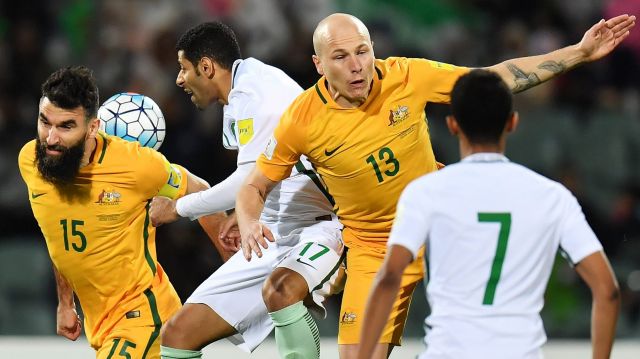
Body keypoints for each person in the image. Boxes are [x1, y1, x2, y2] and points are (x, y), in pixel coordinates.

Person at [235, 12, 635, 359]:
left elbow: (492, 80)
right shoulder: (300, 120)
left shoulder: (407, 76)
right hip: (375, 247)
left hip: (441, 228)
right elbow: (255, 186)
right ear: (319, 64)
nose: (357, 65)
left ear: (373, 48)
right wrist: (250, 222)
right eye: (340, 56)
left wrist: (578, 53)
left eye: (362, 51)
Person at [357, 69, 621, 358]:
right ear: (512, 122)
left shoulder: (426, 192)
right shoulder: (552, 196)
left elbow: (389, 277)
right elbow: (607, 290)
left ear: (453, 125)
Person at [149, 22, 344, 359]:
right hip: (272, 234)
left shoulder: (258, 95)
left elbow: (247, 180)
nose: (179, 80)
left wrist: (177, 208)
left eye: (184, 69)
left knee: (282, 292)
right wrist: (247, 213)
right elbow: (262, 176)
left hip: (322, 226)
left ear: (206, 67)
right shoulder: (240, 92)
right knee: (178, 334)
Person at [18, 66, 210, 358]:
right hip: (103, 326)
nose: (51, 138)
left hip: (144, 316)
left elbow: (199, 189)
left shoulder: (138, 165)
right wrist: (65, 303)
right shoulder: (32, 163)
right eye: (45, 122)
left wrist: (228, 253)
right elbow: (59, 237)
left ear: (93, 128)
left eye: (66, 126)